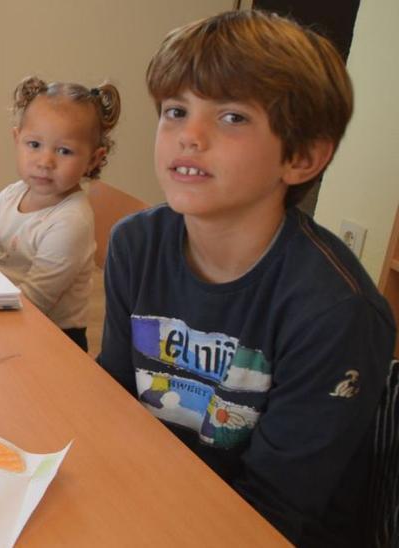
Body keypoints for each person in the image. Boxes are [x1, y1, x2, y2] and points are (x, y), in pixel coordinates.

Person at [97, 11, 395, 545]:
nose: (189, 135)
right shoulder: (135, 244)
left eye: (232, 117)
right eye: (175, 110)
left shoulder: (335, 311)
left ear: (302, 157)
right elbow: (115, 397)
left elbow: (280, 505)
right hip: (154, 497)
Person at [0, 77, 120, 352]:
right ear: (17, 139)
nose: (45, 161)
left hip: (52, 338)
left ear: (94, 159)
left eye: (64, 151)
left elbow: (35, 300)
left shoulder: (71, 220)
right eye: (34, 145)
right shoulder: (11, 194)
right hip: (5, 314)